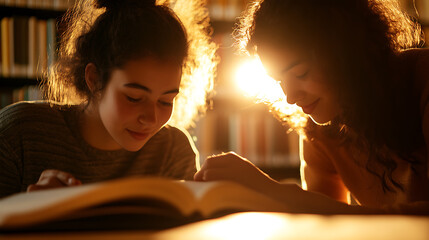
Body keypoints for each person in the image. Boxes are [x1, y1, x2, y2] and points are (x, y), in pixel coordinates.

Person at [195, 0, 429, 214]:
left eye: (301, 73)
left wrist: (277, 192)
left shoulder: (422, 79)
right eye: (279, 81)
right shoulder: (320, 129)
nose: (290, 97)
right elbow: (324, 226)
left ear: (347, 51)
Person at [0, 0, 217, 198]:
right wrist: (24, 212)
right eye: (134, 98)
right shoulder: (19, 135)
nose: (151, 119)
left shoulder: (173, 150)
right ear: (94, 79)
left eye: (166, 101)